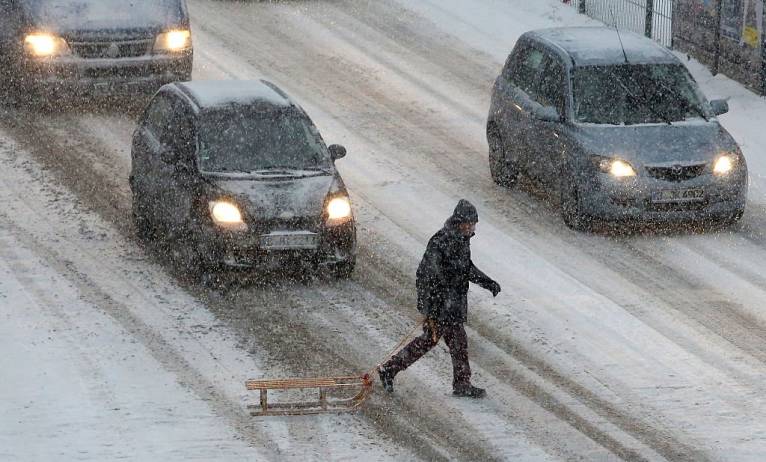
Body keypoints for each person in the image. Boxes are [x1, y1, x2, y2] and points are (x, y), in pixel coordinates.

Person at [379, 199, 501, 398]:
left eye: (473, 223)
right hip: (440, 306)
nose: (471, 227)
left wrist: (488, 283)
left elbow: (466, 268)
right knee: (436, 341)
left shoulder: (461, 240)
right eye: (468, 223)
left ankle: (460, 383)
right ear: (458, 222)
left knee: (452, 343)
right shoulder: (441, 242)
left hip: (451, 306)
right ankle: (390, 369)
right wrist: (432, 306)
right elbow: (426, 275)